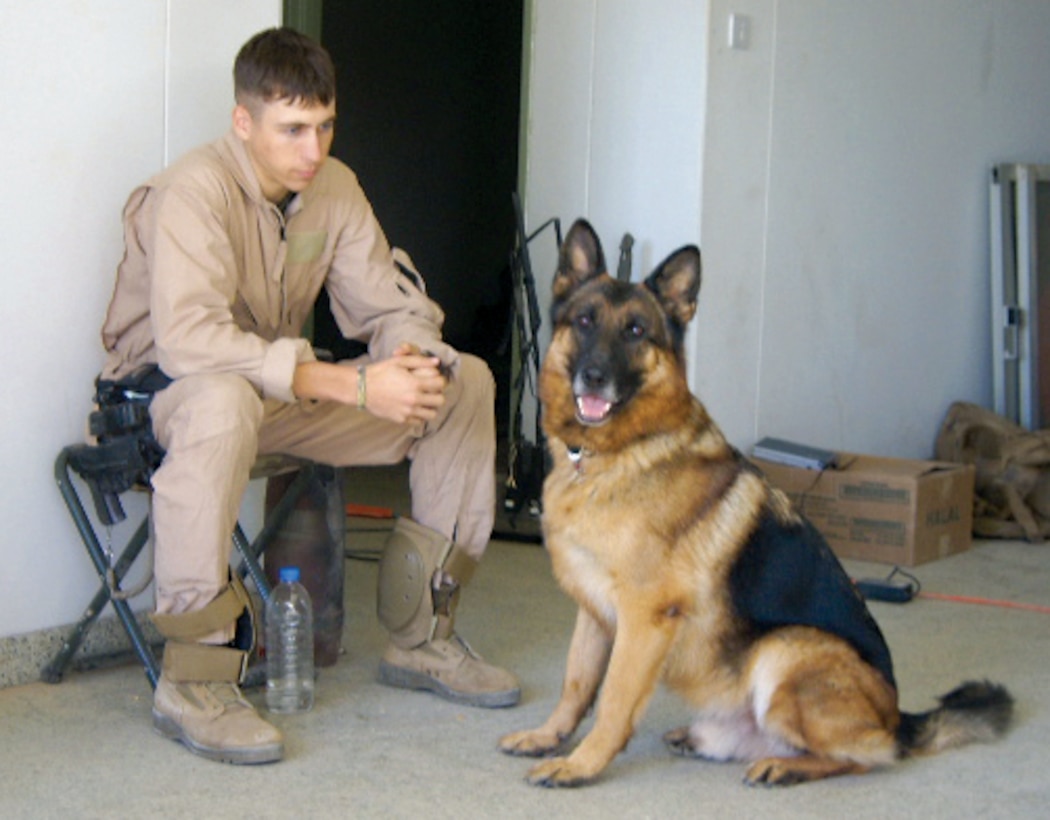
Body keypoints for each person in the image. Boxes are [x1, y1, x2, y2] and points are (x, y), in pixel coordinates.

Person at [99, 27, 519, 765]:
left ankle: (424, 639)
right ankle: (193, 683)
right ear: (243, 122)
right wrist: (355, 382)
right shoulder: (192, 191)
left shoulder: (331, 188)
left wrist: (410, 361)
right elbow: (191, 342)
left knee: (465, 384)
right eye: (292, 129)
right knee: (224, 398)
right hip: (165, 402)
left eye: (325, 126)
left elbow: (390, 305)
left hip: (275, 398)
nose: (312, 149)